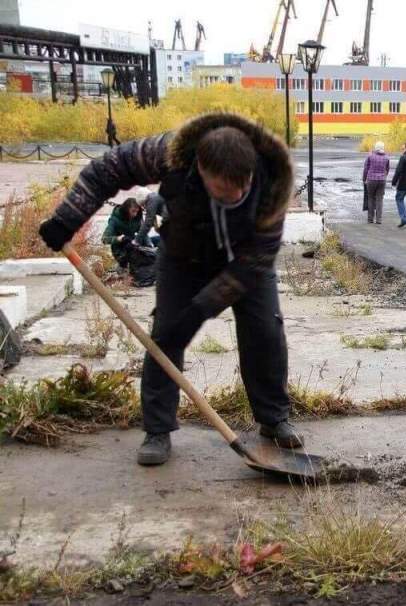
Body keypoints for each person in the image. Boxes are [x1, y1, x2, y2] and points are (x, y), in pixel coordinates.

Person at [39, 112, 301, 466]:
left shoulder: (273, 177)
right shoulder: (170, 153)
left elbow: (259, 257)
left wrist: (202, 307)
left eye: (242, 188)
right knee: (166, 334)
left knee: (265, 329)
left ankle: (273, 419)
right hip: (184, 254)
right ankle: (158, 429)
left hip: (247, 260)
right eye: (225, 191)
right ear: (201, 169)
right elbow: (107, 169)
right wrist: (68, 218)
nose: (236, 196)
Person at [101, 197, 142, 270]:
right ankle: (121, 268)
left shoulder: (137, 218)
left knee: (158, 240)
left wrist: (150, 244)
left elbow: (143, 233)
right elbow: (104, 239)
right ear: (126, 210)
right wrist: (118, 238)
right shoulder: (114, 220)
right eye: (133, 211)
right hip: (120, 250)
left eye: (137, 211)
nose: (135, 214)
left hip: (133, 244)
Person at [362, 141, 390, 224]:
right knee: (379, 200)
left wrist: (364, 179)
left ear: (376, 147)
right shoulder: (386, 157)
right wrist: (384, 176)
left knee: (370, 198)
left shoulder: (370, 156)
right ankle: (379, 219)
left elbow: (366, 168)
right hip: (382, 180)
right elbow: (387, 169)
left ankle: (370, 219)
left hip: (371, 180)